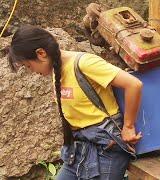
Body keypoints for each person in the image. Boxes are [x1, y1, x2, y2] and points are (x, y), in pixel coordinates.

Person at [7, 25, 143, 180]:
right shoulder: (56, 70)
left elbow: (133, 84)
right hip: (79, 148)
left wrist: (128, 126)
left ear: (41, 53)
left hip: (107, 147)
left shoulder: (84, 63)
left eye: (28, 65)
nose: (31, 71)